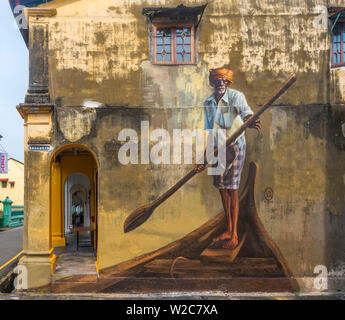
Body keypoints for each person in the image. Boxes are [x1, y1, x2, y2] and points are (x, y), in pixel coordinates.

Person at [195, 67, 261, 249]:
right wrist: (203, 158)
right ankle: (228, 228)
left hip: (235, 146)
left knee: (232, 188)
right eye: (217, 81)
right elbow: (209, 132)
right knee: (222, 188)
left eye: (224, 81)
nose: (220, 84)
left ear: (228, 83)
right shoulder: (208, 103)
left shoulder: (235, 97)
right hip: (218, 148)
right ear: (212, 83)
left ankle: (234, 236)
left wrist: (250, 120)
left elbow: (246, 113)